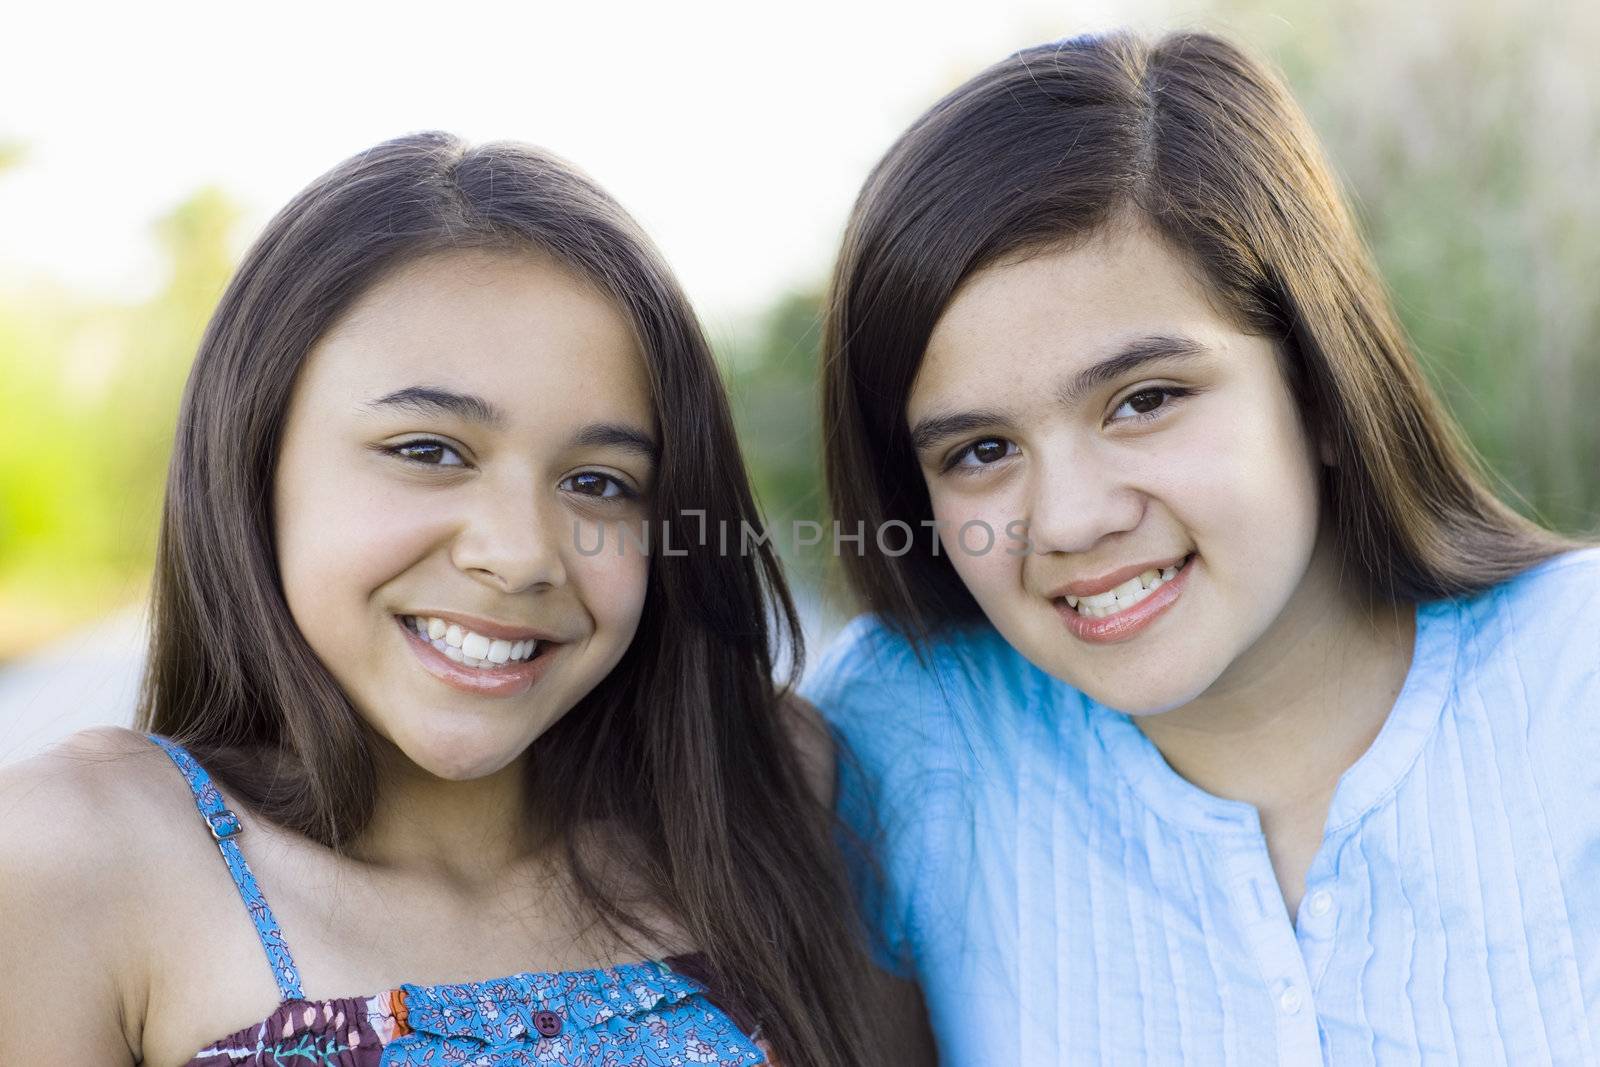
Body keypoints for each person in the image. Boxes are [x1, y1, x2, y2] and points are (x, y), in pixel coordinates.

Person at [804, 29, 1600, 1065]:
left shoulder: (1576, 678)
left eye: (1144, 399)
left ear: (1316, 383)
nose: (1070, 518)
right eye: (980, 448)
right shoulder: (903, 737)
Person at [0, 132, 881, 1066]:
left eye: (599, 481)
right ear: (255, 461)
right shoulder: (77, 856)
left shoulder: (770, 790)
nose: (520, 555)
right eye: (429, 451)